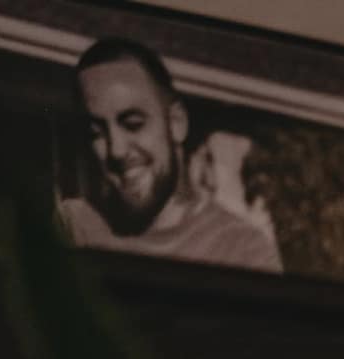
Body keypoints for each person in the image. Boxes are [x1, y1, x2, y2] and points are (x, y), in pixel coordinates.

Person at [60, 38, 283, 273]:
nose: (117, 150)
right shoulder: (75, 227)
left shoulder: (241, 249)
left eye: (133, 124)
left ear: (176, 123)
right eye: (96, 133)